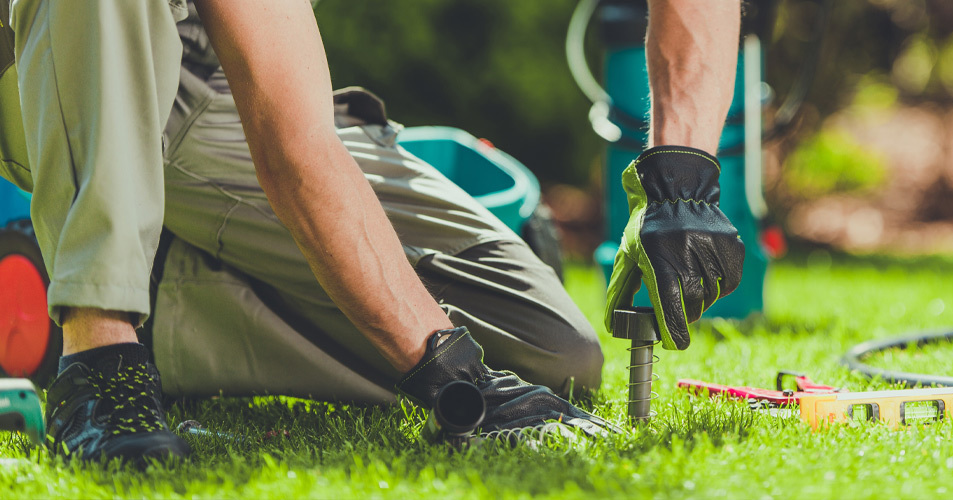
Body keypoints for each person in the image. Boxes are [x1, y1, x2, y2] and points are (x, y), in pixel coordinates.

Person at [0, 0, 744, 463]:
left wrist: (682, 173)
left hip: (220, 79)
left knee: (553, 351)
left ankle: (102, 274)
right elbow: (291, 147)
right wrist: (454, 380)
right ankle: (98, 344)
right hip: (69, 53)